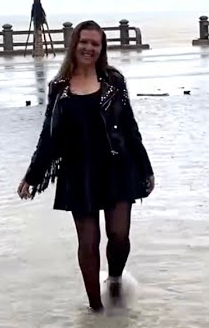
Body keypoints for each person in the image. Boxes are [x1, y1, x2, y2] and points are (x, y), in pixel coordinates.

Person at [17, 20, 155, 311]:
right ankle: (96, 309)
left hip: (118, 169)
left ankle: (114, 280)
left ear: (101, 48)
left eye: (95, 43)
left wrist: (146, 168)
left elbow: (130, 127)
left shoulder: (114, 81)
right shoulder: (59, 88)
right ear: (74, 45)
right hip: (79, 174)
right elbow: (48, 137)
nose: (89, 48)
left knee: (119, 236)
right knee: (89, 244)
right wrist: (32, 175)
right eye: (84, 42)